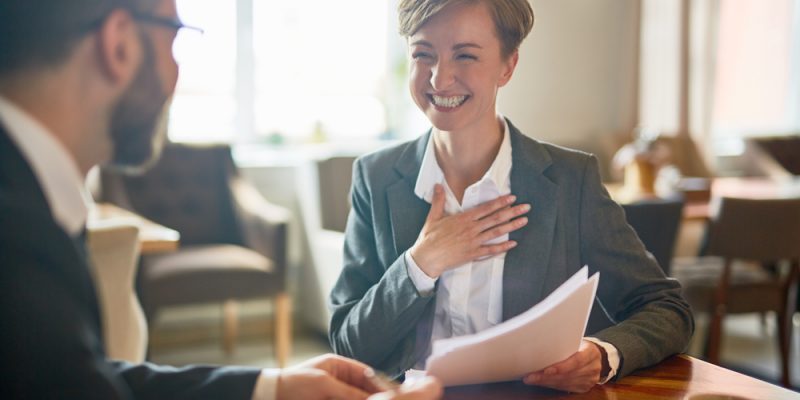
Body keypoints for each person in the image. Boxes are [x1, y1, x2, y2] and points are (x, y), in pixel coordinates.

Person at [0, 0, 443, 399]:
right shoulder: (20, 236)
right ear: (118, 46)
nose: (178, 72)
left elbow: (82, 379)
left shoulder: (30, 202)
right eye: (175, 38)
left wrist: (271, 387)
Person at [329, 0, 694, 393]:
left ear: (508, 65)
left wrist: (602, 354)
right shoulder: (376, 177)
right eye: (423, 54)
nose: (439, 77)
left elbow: (667, 309)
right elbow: (350, 346)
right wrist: (421, 263)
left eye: (465, 55)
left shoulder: (571, 180)